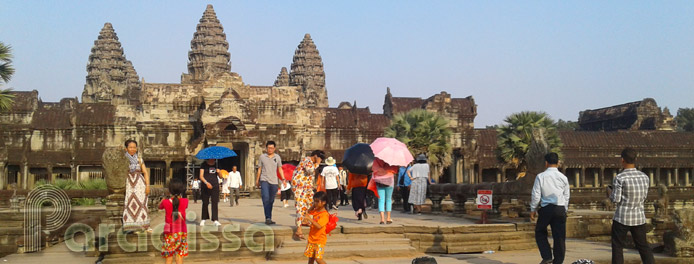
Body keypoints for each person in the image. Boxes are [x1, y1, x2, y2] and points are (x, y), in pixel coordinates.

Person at [607, 148, 655, 264]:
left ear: (622, 160)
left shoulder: (620, 178)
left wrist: (609, 192)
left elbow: (616, 199)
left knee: (618, 246)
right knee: (643, 246)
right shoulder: (645, 177)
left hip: (622, 217)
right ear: (636, 159)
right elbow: (644, 197)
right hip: (638, 216)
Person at [530, 153, 570, 264]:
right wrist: (564, 209)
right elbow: (566, 196)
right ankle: (558, 261)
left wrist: (533, 209)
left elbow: (536, 195)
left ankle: (547, 256)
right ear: (558, 163)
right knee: (559, 237)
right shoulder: (563, 177)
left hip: (546, 208)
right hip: (560, 208)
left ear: (546, 163)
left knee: (540, 231)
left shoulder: (541, 176)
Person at [291, 150, 324, 240]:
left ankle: (305, 220)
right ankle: (298, 230)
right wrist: (317, 163)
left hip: (307, 187)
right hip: (299, 187)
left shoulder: (311, 163)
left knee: (312, 204)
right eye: (320, 158)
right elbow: (309, 170)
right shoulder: (307, 160)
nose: (320, 161)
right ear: (316, 156)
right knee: (300, 207)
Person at [123, 139, 151, 232]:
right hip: (129, 184)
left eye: (134, 147)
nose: (132, 149)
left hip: (140, 184)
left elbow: (145, 173)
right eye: (130, 147)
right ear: (126, 148)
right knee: (129, 204)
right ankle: (130, 227)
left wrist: (147, 186)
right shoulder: (123, 159)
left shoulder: (139, 159)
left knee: (142, 204)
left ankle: (143, 225)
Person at [255, 141, 286, 225]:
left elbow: (280, 169)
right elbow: (259, 169)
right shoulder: (262, 157)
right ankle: (267, 217)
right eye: (269, 148)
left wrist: (283, 179)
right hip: (264, 180)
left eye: (272, 148)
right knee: (265, 198)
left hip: (274, 181)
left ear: (274, 149)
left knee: (271, 200)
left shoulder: (277, 157)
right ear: (266, 148)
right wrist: (257, 180)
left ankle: (269, 217)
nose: (270, 149)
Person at [159, 180, 189, 264]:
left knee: (169, 256)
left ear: (169, 190)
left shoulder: (165, 202)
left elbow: (159, 206)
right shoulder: (185, 201)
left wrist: (165, 197)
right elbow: (184, 206)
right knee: (179, 255)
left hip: (169, 232)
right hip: (181, 232)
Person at [303, 191, 330, 264]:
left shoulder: (325, 214)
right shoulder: (315, 211)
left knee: (318, 259)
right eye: (314, 201)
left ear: (324, 202)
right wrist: (312, 206)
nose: (315, 203)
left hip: (319, 240)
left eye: (317, 202)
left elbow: (318, 226)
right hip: (311, 239)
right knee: (311, 259)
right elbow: (307, 213)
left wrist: (310, 219)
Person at [372, 158, 398, 224]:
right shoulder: (392, 160)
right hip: (389, 181)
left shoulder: (376, 160)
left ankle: (382, 219)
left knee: (381, 200)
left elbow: (373, 169)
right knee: (388, 199)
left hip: (379, 181)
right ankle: (388, 218)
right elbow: (395, 170)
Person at [199, 159, 221, 227]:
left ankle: (215, 219)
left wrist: (219, 172)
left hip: (215, 185)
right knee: (205, 202)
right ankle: (203, 218)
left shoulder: (217, 164)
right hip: (205, 185)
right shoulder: (203, 164)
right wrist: (206, 183)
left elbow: (221, 176)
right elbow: (201, 176)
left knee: (215, 202)